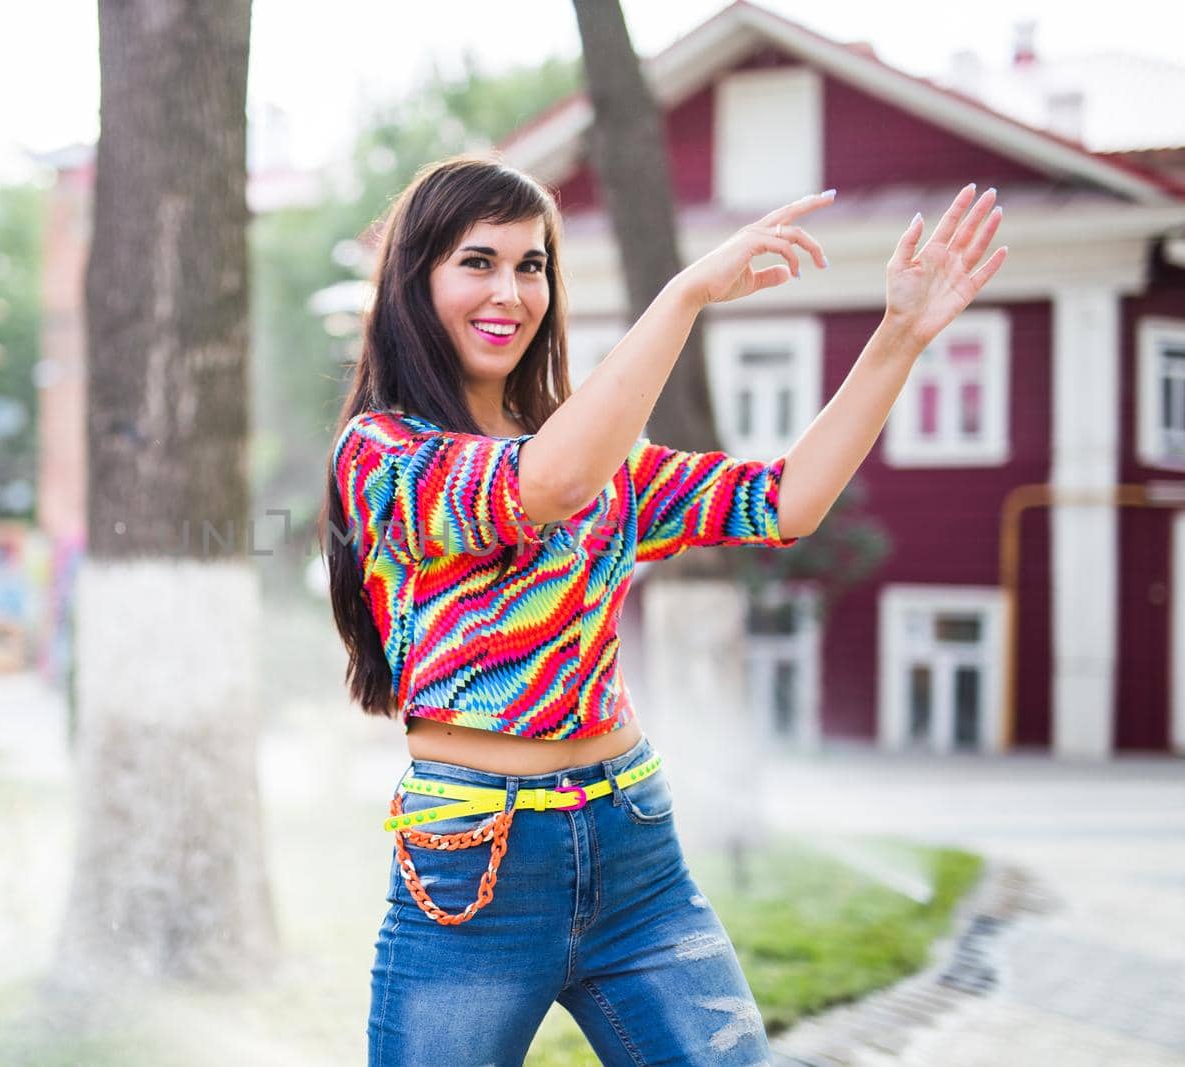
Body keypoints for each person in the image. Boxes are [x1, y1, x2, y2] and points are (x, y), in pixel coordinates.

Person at [324, 155, 1005, 1066]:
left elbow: (786, 499)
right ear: (417, 283)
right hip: (473, 871)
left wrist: (898, 338)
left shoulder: (603, 461)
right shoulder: (383, 455)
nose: (512, 291)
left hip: (636, 852)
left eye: (532, 265)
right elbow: (547, 486)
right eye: (477, 261)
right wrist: (685, 294)